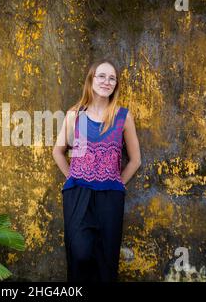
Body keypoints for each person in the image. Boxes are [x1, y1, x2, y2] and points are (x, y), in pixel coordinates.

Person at [52, 59, 142, 282]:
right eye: (102, 76)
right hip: (78, 195)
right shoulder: (75, 115)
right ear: (91, 80)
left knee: (105, 260)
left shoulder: (123, 117)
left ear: (116, 84)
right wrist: (72, 178)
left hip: (110, 197)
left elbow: (135, 160)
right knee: (80, 254)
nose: (107, 81)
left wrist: (117, 183)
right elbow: (58, 151)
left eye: (112, 78)